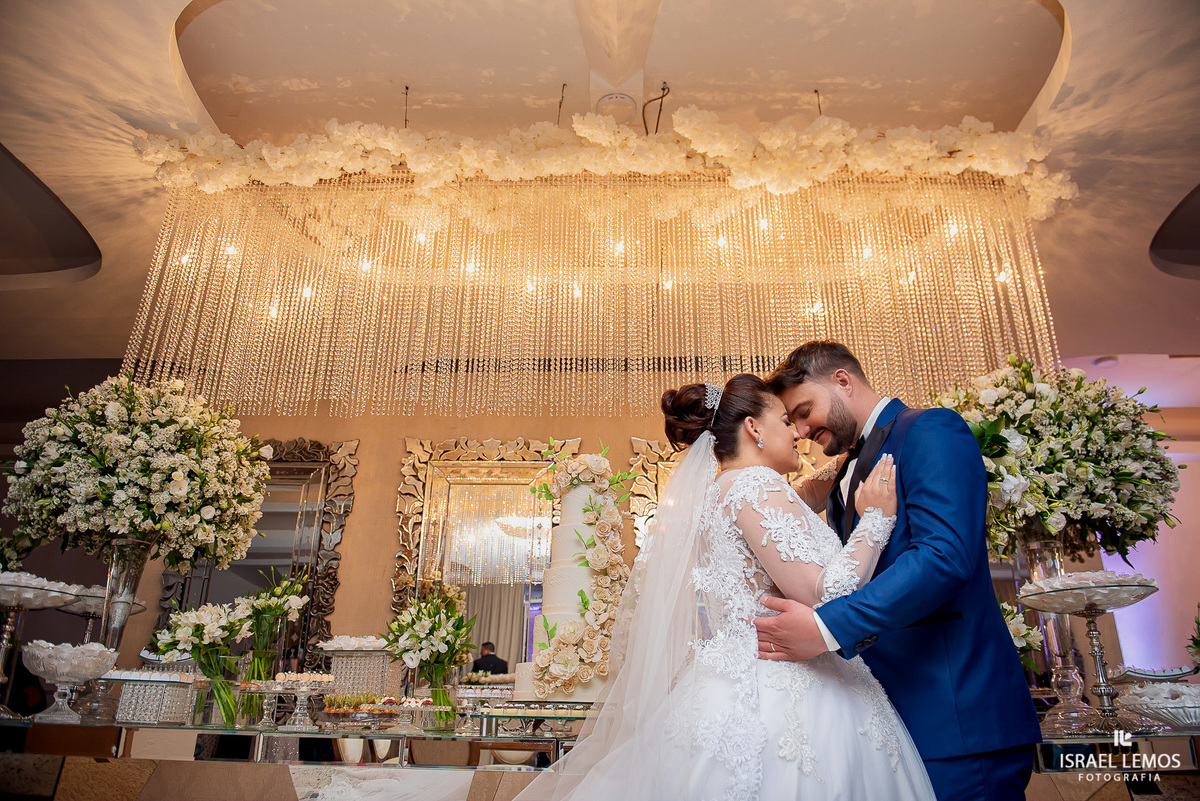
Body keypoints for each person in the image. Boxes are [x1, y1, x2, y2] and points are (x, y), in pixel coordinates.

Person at [515, 374, 934, 801]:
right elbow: (825, 593)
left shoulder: (723, 490)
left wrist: (846, 466)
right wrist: (877, 520)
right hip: (788, 682)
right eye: (785, 421)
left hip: (737, 673)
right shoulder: (755, 485)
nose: (797, 434)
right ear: (754, 428)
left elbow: (799, 504)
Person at [753, 342, 1041, 801]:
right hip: (890, 721)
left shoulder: (930, 430)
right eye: (793, 420)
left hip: (955, 718)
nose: (803, 430)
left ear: (843, 381)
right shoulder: (844, 473)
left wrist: (827, 628)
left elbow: (944, 555)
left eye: (805, 411)